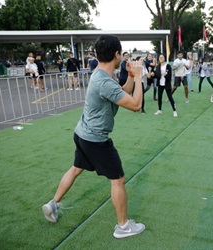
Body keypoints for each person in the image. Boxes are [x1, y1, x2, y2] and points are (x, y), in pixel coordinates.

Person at [42, 35, 145, 239]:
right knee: (118, 180)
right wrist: (140, 76)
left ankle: (53, 204)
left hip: (82, 133)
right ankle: (123, 227)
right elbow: (135, 105)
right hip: (95, 140)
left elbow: (121, 94)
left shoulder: (102, 75)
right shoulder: (103, 81)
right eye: (121, 53)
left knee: (76, 167)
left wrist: (132, 76)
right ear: (117, 54)